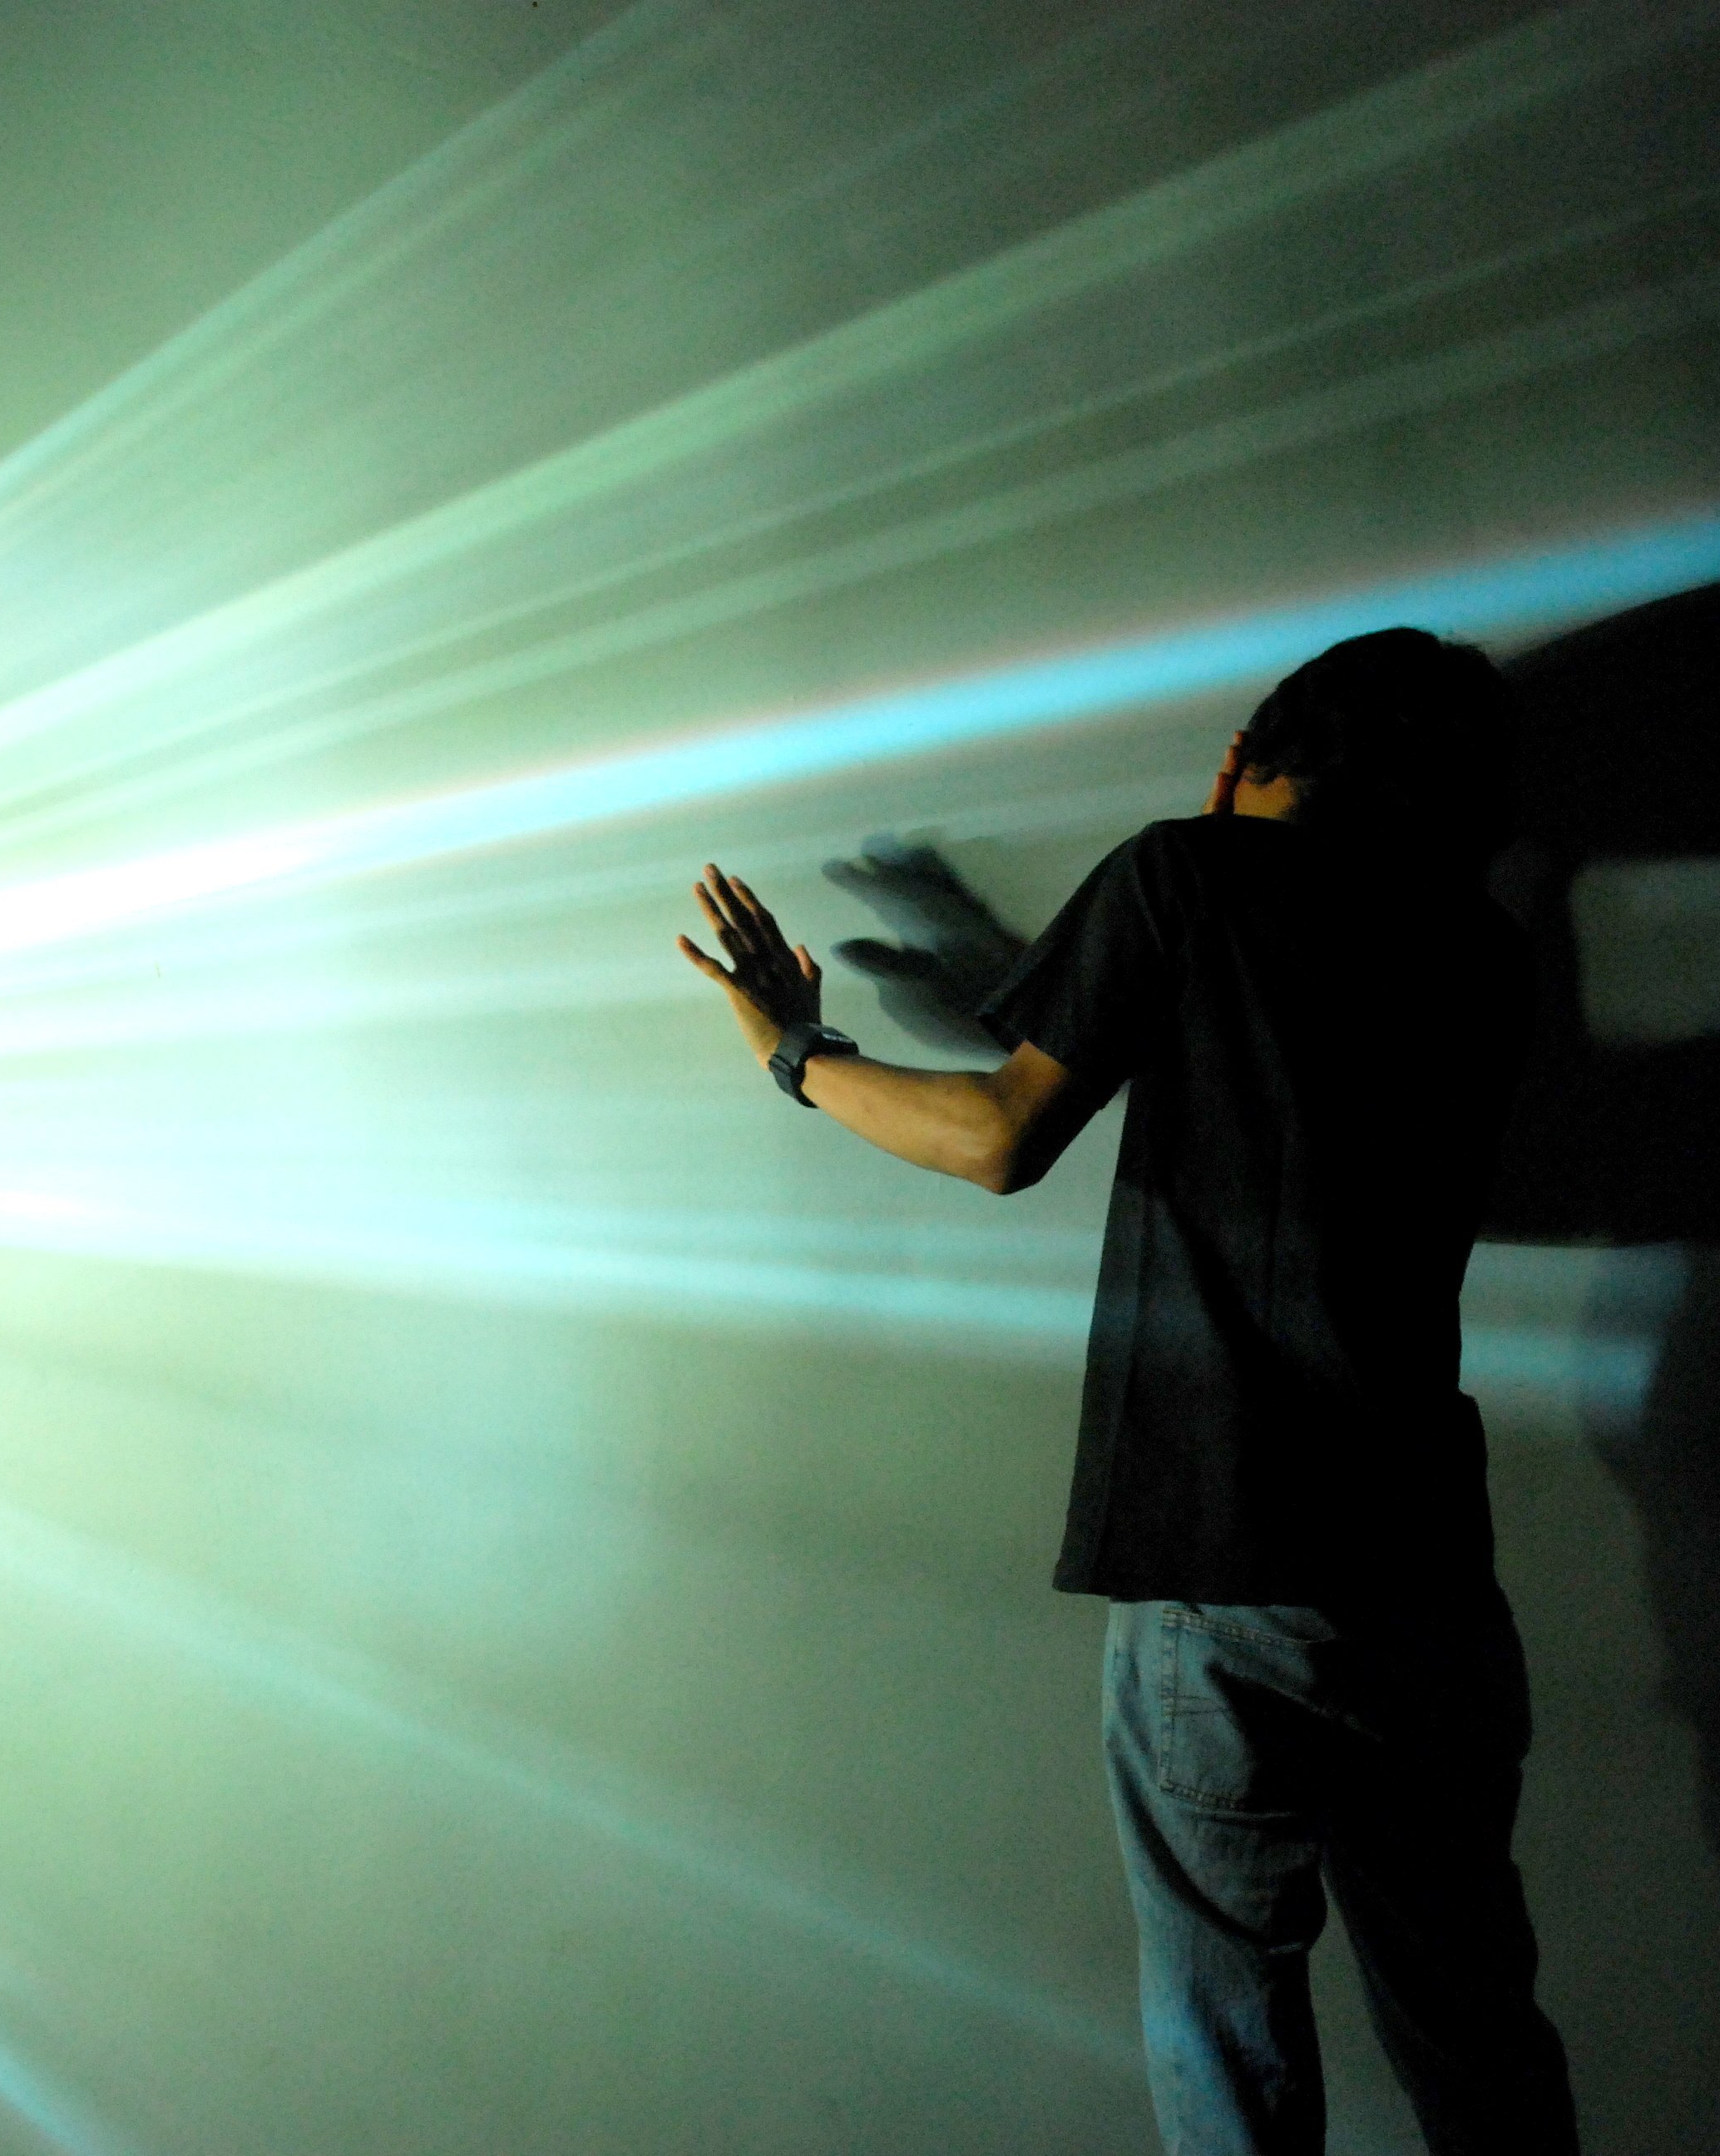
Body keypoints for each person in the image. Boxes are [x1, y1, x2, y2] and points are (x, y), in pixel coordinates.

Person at [675, 626, 1576, 2155]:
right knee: (1477, 2039)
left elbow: (1000, 1138)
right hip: (1430, 1577)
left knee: (1233, 2061)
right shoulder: (1483, 955)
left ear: (1249, 757)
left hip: (1232, 1568)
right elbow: (1271, 1064)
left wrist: (796, 1052)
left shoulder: (1186, 872)